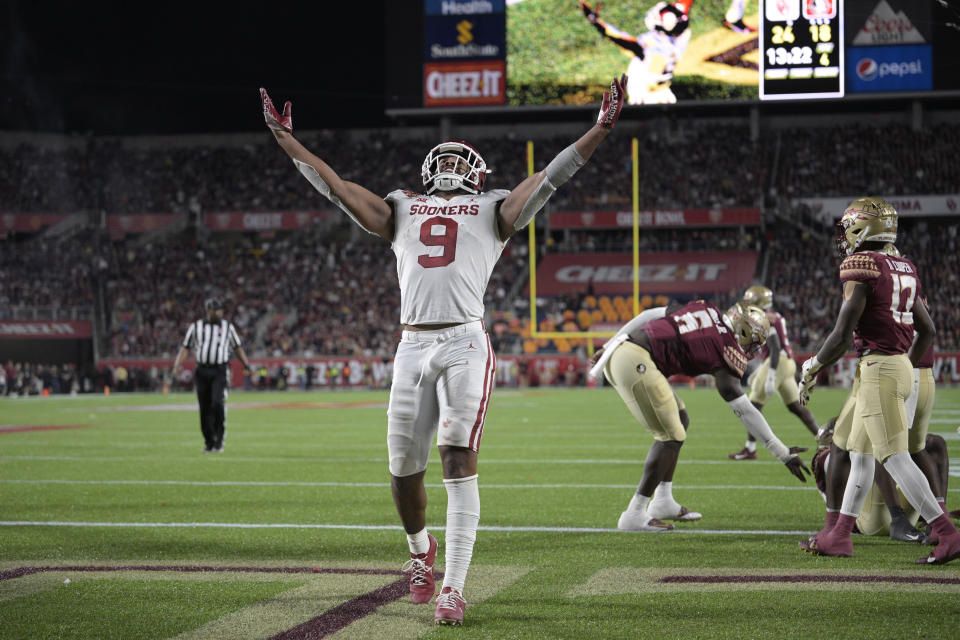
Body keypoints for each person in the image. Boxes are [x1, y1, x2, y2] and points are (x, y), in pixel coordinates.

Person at [261, 76, 627, 626]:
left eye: (462, 158)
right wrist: (288, 141)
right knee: (402, 470)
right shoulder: (402, 207)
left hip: (463, 339)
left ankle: (454, 587)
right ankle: (419, 553)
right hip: (412, 342)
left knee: (457, 457)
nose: (453, 165)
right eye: (446, 157)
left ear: (477, 172)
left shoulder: (492, 208)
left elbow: (551, 178)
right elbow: (336, 187)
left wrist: (598, 129)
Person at [797, 197, 960, 564]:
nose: (844, 236)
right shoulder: (904, 265)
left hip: (879, 370)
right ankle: (839, 535)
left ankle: (947, 533)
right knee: (860, 454)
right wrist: (902, 364)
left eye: (848, 227)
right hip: (900, 366)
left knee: (896, 459)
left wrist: (813, 366)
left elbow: (842, 334)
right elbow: (928, 329)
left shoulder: (861, 264)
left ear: (861, 227)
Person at [588, 300, 810, 532]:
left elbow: (650, 314)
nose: (753, 350)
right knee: (670, 436)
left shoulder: (708, 308)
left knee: (680, 420)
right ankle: (633, 514)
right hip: (636, 361)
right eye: (753, 341)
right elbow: (744, 409)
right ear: (742, 329)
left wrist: (611, 344)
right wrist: (781, 452)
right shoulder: (726, 348)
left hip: (626, 351)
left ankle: (663, 501)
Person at [729, 285, 819, 460]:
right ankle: (824, 438)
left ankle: (750, 449)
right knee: (795, 407)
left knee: (753, 406)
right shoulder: (773, 315)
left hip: (778, 362)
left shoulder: (762, 317)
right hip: (786, 362)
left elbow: (775, 348)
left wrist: (770, 375)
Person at [172, 297, 254, 453]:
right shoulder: (196, 327)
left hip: (219, 369)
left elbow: (237, 347)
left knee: (217, 402)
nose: (220, 312)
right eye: (217, 310)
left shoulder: (227, 327)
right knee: (204, 407)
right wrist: (177, 365)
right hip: (202, 370)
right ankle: (209, 442)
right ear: (209, 311)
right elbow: (186, 347)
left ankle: (219, 440)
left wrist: (246, 364)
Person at [580, 0, 693, 104]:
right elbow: (681, 13)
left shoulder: (652, 43)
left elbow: (619, 38)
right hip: (664, 95)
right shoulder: (682, 37)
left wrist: (594, 19)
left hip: (643, 98)